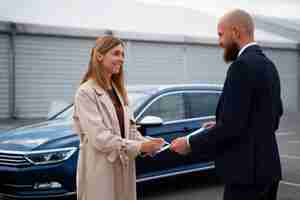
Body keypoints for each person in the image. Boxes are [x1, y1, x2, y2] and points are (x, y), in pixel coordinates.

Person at [171, 9, 283, 200]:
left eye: (221, 35)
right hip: (268, 171)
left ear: (236, 32)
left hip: (245, 177)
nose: (220, 42)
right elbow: (273, 117)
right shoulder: (269, 65)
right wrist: (223, 123)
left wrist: (189, 143)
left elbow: (232, 127)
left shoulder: (241, 66)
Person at [72, 36, 165, 200]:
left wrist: (147, 142)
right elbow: (100, 137)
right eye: (116, 53)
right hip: (101, 169)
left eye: (123, 55)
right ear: (99, 56)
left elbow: (130, 129)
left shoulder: (118, 90)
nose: (121, 59)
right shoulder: (85, 92)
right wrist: (140, 146)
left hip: (123, 167)